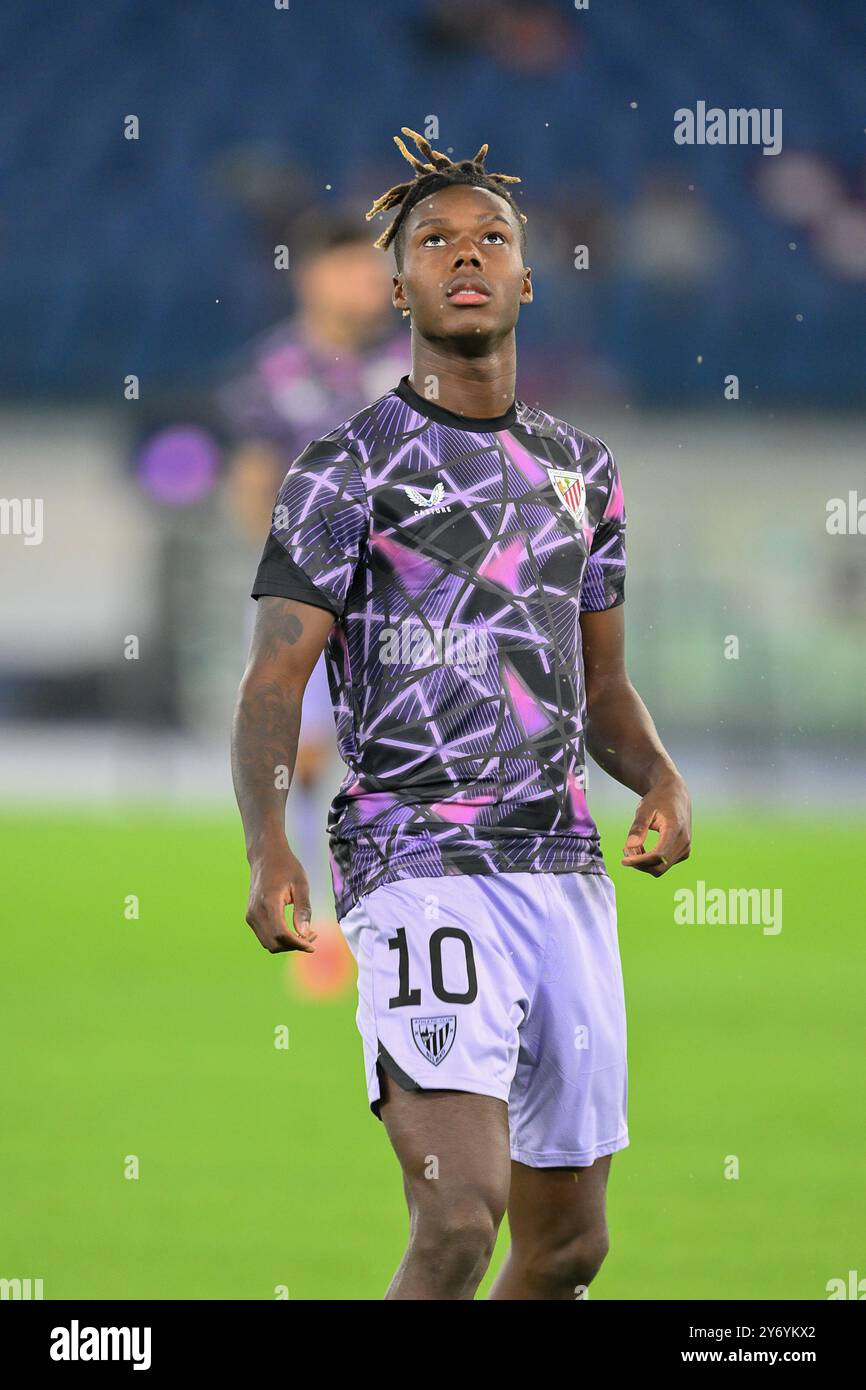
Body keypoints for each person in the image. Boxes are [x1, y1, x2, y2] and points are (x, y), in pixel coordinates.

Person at [230, 127, 692, 1300]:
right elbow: (274, 680)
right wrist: (267, 840)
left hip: (564, 871)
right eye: (434, 240)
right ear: (399, 290)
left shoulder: (584, 472)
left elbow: (602, 691)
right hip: (415, 860)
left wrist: (660, 777)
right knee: (456, 1217)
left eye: (492, 236)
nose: (466, 254)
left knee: (569, 1248)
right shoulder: (344, 466)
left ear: (529, 279)